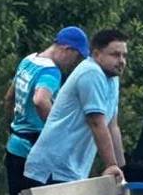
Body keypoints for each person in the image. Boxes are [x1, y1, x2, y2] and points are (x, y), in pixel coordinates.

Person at [4, 26, 89, 195]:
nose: (73, 65)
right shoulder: (50, 71)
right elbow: (41, 100)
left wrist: (10, 125)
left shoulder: (28, 61)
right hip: (35, 153)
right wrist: (57, 132)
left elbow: (8, 98)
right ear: (66, 49)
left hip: (15, 147)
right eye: (76, 58)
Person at [23, 28, 127, 186]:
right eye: (115, 55)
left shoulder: (112, 78)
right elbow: (96, 122)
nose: (121, 61)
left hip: (72, 170)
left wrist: (123, 170)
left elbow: (112, 126)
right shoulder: (91, 72)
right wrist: (111, 165)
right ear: (97, 54)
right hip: (52, 168)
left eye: (124, 55)